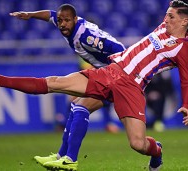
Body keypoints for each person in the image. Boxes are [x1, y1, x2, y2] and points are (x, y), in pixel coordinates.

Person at [0, 1, 188, 170]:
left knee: (138, 144)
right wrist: (31, 15)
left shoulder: (183, 49)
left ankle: (156, 153)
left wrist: (187, 104)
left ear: (184, 22)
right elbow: (52, 16)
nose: (165, 18)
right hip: (112, 72)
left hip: (132, 86)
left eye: (171, 16)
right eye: (166, 14)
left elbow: (186, 79)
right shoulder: (163, 27)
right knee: (57, 84)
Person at [9, 3, 125, 167]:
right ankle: (61, 156)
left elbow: (118, 48)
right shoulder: (65, 22)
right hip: (107, 74)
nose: (61, 24)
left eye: (66, 20)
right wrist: (30, 14)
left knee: (80, 107)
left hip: (117, 76)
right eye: (60, 20)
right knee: (76, 106)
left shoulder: (86, 37)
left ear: (75, 20)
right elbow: (50, 14)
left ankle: (70, 160)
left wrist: (115, 72)